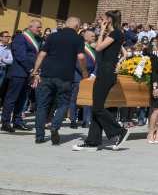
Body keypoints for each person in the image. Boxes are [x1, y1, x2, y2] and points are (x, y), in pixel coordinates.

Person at [74, 10, 130, 151]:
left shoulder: (116, 33)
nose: (99, 20)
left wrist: (103, 30)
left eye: (102, 18)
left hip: (106, 73)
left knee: (98, 107)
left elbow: (98, 48)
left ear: (109, 20)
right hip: (103, 72)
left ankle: (119, 131)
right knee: (96, 108)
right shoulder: (110, 35)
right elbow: (122, 52)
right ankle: (93, 141)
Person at [30, 17, 87, 145]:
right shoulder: (78, 38)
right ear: (77, 26)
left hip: (47, 74)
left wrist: (35, 71)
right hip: (65, 76)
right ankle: (55, 127)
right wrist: (84, 72)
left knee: (42, 105)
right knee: (63, 104)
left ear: (66, 24)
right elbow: (81, 57)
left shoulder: (53, 36)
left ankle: (39, 136)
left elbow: (42, 54)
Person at [2, 19, 42, 133]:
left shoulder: (37, 39)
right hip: (19, 73)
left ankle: (17, 121)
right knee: (11, 98)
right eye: (38, 27)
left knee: (22, 99)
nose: (40, 29)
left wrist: (36, 70)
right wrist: (31, 69)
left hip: (28, 74)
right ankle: (5, 122)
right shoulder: (20, 37)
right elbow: (20, 56)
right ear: (30, 27)